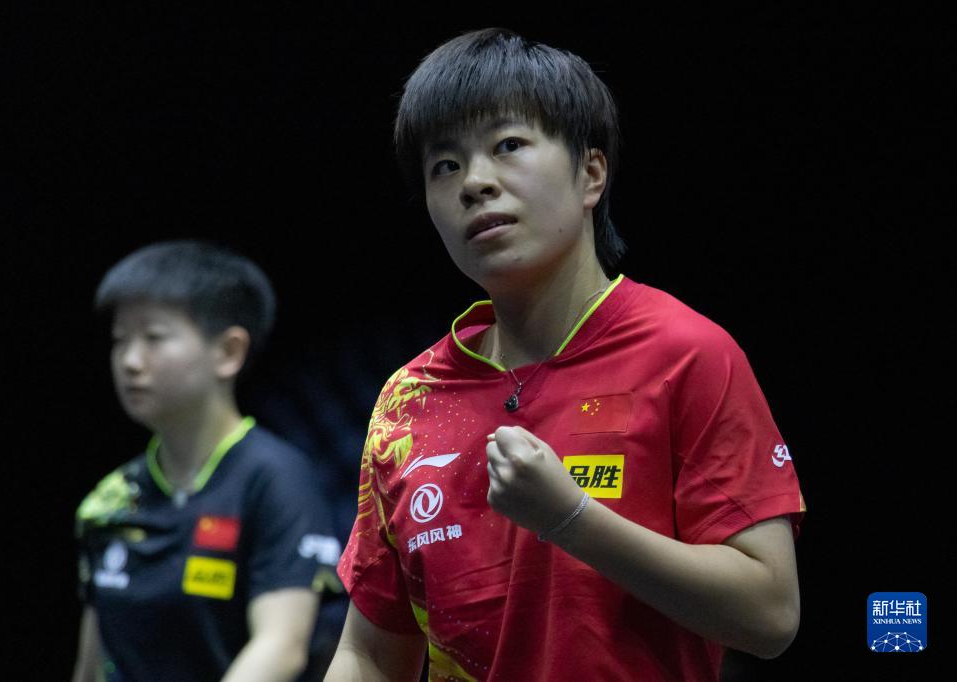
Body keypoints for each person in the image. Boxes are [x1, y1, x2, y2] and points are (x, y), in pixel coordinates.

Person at [325, 28, 805, 681]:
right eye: (445, 166)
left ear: (590, 174)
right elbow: (370, 654)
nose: (475, 183)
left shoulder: (685, 355)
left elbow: (770, 614)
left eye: (508, 145)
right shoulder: (409, 401)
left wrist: (569, 518)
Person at [73, 240, 342, 682]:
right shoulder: (109, 500)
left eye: (154, 338)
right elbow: (91, 667)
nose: (130, 361)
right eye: (120, 340)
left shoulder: (275, 480)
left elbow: (280, 647)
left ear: (228, 352)